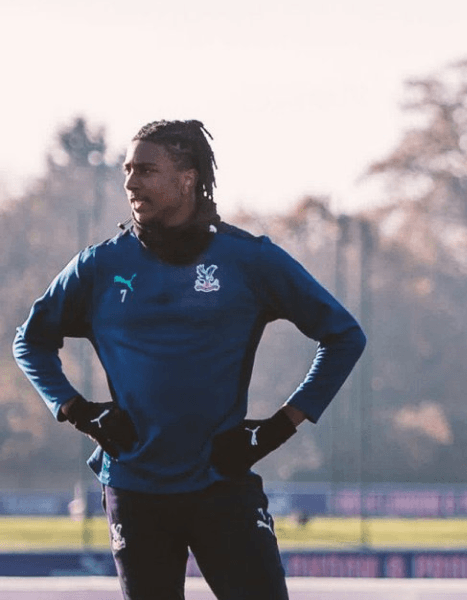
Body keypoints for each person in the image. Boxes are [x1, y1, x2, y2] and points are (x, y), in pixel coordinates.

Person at [12, 119, 366, 600]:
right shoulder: (99, 266)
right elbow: (30, 342)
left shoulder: (250, 260)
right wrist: (78, 410)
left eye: (146, 170)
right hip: (134, 490)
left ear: (188, 178)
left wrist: (279, 427)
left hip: (222, 484)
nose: (131, 182)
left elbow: (343, 335)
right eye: (127, 170)